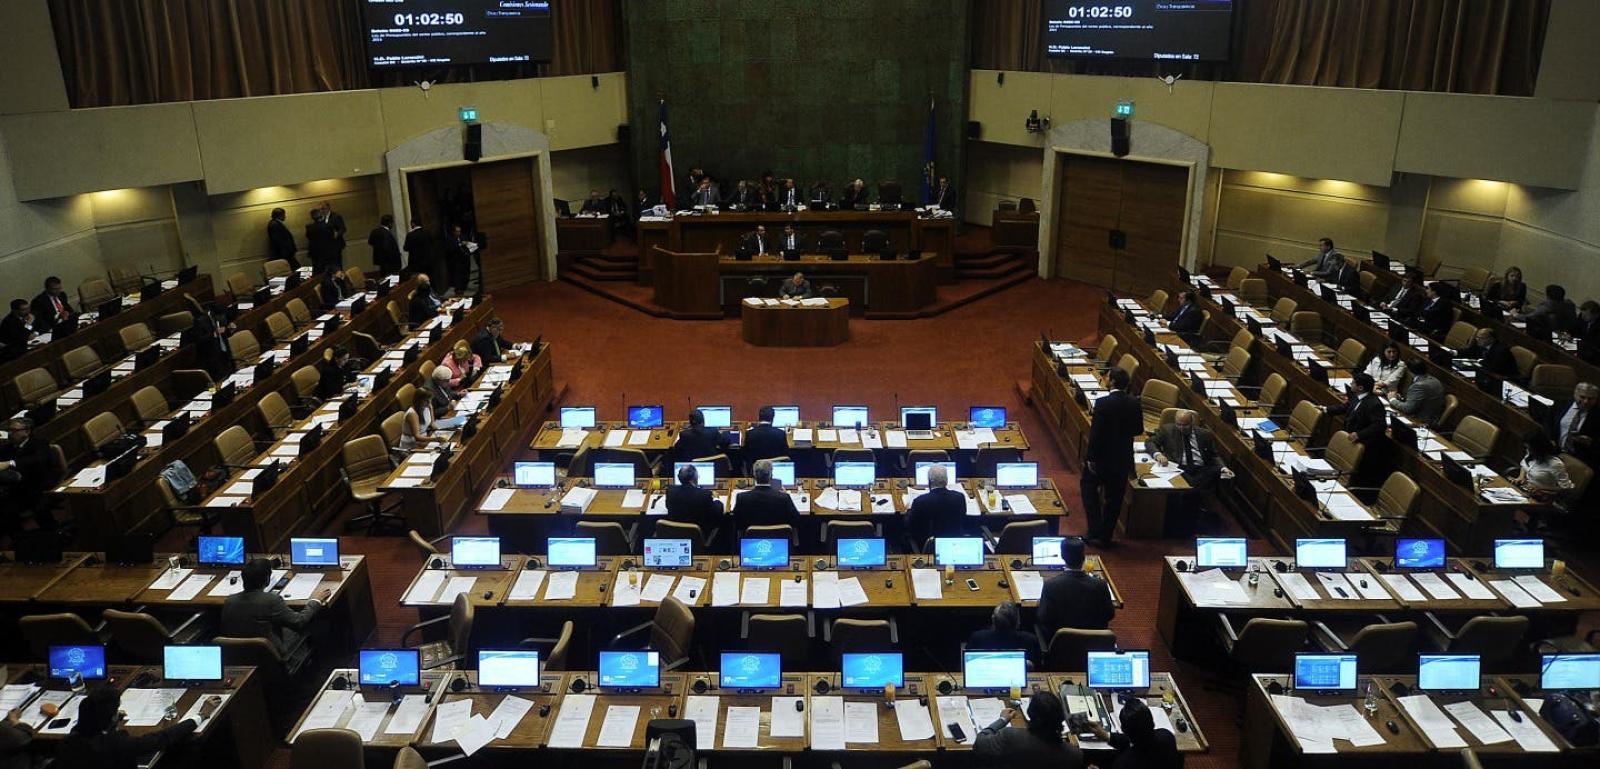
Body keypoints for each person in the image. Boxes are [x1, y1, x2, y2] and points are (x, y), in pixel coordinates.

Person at [53, 686, 211, 769]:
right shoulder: (118, 743)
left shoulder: (69, 741)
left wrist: (111, 722)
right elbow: (162, 738)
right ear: (111, 717)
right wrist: (200, 715)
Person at [1081, 368, 1141, 546]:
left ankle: (1094, 530)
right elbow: (1138, 430)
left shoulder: (1102, 403)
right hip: (1122, 459)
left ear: (1113, 381)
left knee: (1088, 489)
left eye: (1107, 377)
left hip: (1101, 459)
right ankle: (1106, 536)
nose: (1106, 379)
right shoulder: (1134, 403)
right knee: (1115, 499)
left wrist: (1090, 458)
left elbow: (1096, 434)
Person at [220, 557, 328, 655]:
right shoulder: (271, 600)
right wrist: (316, 600)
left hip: (239, 654)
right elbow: (299, 621)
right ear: (267, 579)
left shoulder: (230, 601)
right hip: (270, 654)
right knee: (308, 627)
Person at [973, 691, 1082, 768]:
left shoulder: (1011, 737)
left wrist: (1002, 720)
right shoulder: (1074, 755)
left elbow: (979, 743)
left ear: (1029, 713)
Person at [1036, 537, 1114, 637]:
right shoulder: (1101, 585)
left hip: (1061, 641)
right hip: (1093, 640)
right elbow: (1109, 614)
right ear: (1083, 557)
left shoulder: (1051, 585)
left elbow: (1043, 617)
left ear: (1062, 556)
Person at [0, 418, 60, 533]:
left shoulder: (39, 443)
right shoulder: (7, 447)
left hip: (39, 485)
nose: (10, 434)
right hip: (17, 487)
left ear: (27, 431)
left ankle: (50, 533)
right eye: (8, 430)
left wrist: (10, 463)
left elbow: (37, 460)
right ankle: (19, 536)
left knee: (34, 507)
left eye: (14, 430)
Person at [1086, 697, 1182, 769]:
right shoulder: (1166, 736)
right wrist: (1107, 736)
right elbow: (1140, 740)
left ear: (1124, 730)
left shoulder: (1124, 763)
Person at [905, 465, 975, 544]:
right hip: (953, 541)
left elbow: (909, 524)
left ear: (929, 481)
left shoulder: (920, 501)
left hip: (927, 544)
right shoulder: (959, 497)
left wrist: (909, 509)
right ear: (947, 481)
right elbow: (962, 518)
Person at [731, 459, 800, 535]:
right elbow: (796, 519)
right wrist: (784, 494)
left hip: (751, 537)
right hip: (779, 537)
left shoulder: (742, 498)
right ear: (771, 475)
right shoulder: (784, 498)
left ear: (754, 475)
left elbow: (736, 521)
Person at [966, 601, 1040, 664]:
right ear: (1018, 622)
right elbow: (1039, 668)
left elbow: (967, 662)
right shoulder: (1030, 641)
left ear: (993, 620)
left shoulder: (977, 638)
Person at [664, 463, 724, 540]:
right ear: (695, 477)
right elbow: (718, 511)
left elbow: (668, 506)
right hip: (699, 537)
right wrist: (716, 498)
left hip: (676, 535)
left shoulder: (670, 491)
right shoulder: (704, 494)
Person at [1325, 372, 1387, 445]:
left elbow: (1379, 425)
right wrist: (1326, 409)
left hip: (1361, 442)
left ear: (1360, 388)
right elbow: (1345, 407)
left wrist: (1359, 434)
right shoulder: (1356, 395)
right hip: (1348, 435)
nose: (1351, 384)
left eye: (1353, 382)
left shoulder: (1374, 404)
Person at [1547, 382, 1598, 468]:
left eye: (1591, 399)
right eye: (1582, 397)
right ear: (1575, 395)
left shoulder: (1597, 415)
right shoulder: (1561, 403)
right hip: (1555, 452)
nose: (1586, 401)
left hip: (1580, 460)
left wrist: (1591, 442)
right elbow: (1548, 422)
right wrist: (1550, 439)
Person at [1516, 431, 1574, 503]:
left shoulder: (1555, 464)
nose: (1527, 450)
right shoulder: (1531, 454)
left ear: (1539, 449)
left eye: (1529, 449)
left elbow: (1565, 488)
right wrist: (1521, 477)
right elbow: (1524, 465)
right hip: (1526, 490)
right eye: (1526, 448)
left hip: (1543, 498)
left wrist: (1541, 488)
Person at [1394, 359, 1445, 424]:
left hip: (1421, 421)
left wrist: (1392, 399)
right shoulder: (1435, 380)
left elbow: (1408, 409)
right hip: (1433, 418)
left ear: (1410, 371)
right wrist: (1402, 399)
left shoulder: (1418, 385)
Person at [400, 380, 439, 450]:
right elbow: (417, 437)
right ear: (419, 401)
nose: (429, 402)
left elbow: (432, 423)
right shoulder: (412, 414)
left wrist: (438, 431)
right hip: (412, 445)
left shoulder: (428, 405)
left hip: (425, 438)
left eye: (430, 400)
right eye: (426, 401)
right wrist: (436, 439)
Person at [305, 207, 339, 273]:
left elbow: (308, 237)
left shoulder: (309, 227)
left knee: (318, 272)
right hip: (328, 253)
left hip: (315, 254)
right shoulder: (328, 226)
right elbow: (332, 237)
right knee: (331, 271)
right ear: (321, 215)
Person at [444, 224, 473, 296]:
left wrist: (467, 245)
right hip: (456, 260)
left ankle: (464, 287)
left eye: (459, 231)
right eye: (457, 231)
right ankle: (458, 289)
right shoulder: (450, 239)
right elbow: (450, 249)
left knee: (465, 274)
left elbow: (469, 246)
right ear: (454, 232)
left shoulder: (463, 237)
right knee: (457, 275)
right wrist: (460, 244)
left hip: (465, 259)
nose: (458, 233)